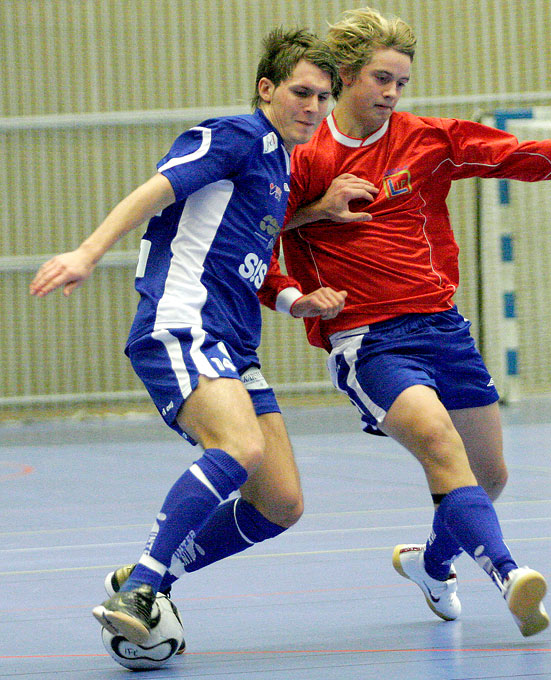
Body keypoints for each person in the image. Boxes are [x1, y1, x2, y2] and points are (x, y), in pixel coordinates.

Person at [256, 7, 551, 637]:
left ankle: (432, 567)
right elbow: (252, 239)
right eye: (381, 79)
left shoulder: (428, 139)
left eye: (402, 82)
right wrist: (304, 266)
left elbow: (521, 154)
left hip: (443, 329)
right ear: (345, 76)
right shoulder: (300, 157)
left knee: (489, 475)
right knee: (438, 445)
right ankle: (511, 576)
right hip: (369, 338)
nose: (393, 94)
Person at [29, 27, 342, 647]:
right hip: (183, 322)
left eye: (325, 98)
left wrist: (308, 241)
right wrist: (89, 252)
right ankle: (141, 586)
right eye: (302, 92)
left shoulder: (280, 163)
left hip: (236, 342)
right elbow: (155, 192)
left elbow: (239, 244)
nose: (314, 107)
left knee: (280, 503)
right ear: (267, 89)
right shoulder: (234, 136)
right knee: (237, 447)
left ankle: (155, 572)